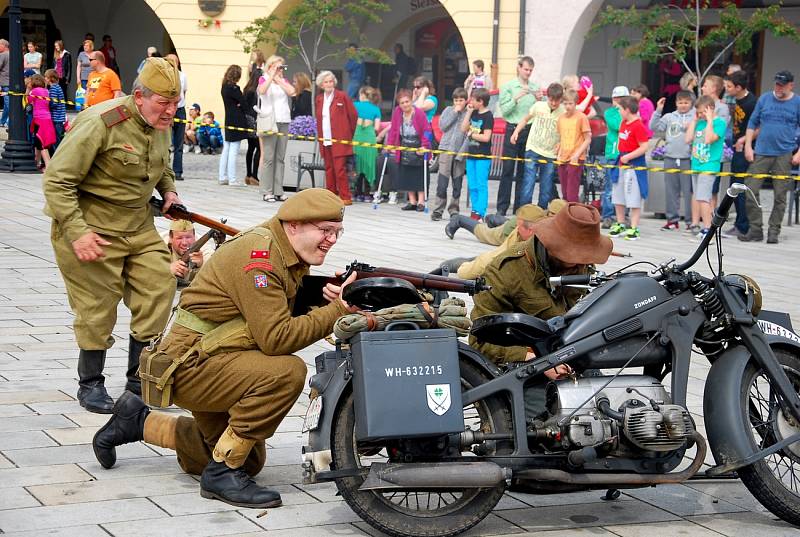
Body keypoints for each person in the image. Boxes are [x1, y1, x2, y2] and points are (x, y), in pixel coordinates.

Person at [92, 188, 356, 509]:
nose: (331, 239)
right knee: (287, 372)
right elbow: (276, 339)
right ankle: (220, 475)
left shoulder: (282, 248)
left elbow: (270, 310)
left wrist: (322, 300)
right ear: (294, 225)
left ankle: (138, 422)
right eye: (324, 231)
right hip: (190, 366)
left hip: (211, 357)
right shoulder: (260, 259)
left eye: (336, 232)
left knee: (250, 461)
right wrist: (337, 311)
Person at [42, 57, 182, 413]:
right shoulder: (100, 123)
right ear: (139, 96)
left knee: (160, 285)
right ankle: (90, 384)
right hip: (92, 226)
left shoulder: (160, 121)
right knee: (97, 306)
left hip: (137, 225)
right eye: (163, 103)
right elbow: (57, 181)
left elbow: (160, 163)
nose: (170, 111)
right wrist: (78, 232)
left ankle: (138, 380)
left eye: (174, 102)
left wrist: (170, 191)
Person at [469, 203, 612, 414]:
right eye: (573, 257)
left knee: (614, 418)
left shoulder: (582, 268)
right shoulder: (506, 272)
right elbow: (478, 342)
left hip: (574, 362)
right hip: (523, 373)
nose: (580, 265)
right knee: (553, 425)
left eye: (584, 257)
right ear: (551, 246)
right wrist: (536, 360)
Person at [740, 70, 800, 244]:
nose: (778, 87)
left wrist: (798, 153)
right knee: (750, 187)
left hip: (784, 153)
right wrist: (749, 146)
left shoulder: (797, 102)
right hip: (762, 151)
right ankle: (756, 229)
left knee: (780, 194)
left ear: (791, 85)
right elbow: (753, 122)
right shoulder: (765, 98)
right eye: (777, 84)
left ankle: (774, 231)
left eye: (782, 84)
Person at [497, 56, 542, 215]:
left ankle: (519, 207)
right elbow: (505, 111)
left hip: (529, 130)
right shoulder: (509, 86)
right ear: (519, 68)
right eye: (526, 69)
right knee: (507, 169)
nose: (528, 73)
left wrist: (539, 100)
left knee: (524, 171)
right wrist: (517, 97)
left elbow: (538, 111)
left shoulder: (535, 87)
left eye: (530, 70)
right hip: (512, 127)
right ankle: (502, 207)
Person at [453, 204, 547, 279]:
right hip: (503, 237)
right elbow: (496, 257)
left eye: (519, 227)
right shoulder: (518, 235)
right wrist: (464, 271)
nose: (517, 229)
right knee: (485, 234)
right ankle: (460, 219)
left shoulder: (544, 240)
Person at [651, 90, 694, 231]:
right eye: (680, 102)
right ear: (676, 103)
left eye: (686, 102)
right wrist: (658, 110)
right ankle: (672, 220)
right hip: (670, 157)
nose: (683, 105)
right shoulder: (669, 117)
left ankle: (690, 221)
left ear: (691, 103)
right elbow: (654, 127)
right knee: (671, 191)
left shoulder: (694, 116)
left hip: (687, 158)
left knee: (688, 192)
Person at [609, 96, 651, 241]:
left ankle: (634, 227)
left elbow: (644, 146)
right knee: (618, 194)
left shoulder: (638, 126)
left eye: (620, 109)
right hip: (621, 162)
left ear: (627, 110)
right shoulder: (624, 123)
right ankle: (620, 223)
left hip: (633, 165)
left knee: (633, 196)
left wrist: (629, 156)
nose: (619, 112)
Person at [686, 95, 727, 241]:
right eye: (698, 112)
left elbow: (709, 139)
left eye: (703, 112)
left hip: (709, 165)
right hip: (696, 164)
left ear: (710, 109)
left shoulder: (719, 123)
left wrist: (710, 120)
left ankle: (708, 229)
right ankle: (705, 228)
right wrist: (695, 120)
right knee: (699, 197)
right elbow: (688, 139)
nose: (700, 115)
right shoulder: (699, 122)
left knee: (704, 198)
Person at [315, 71, 357, 204]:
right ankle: (330, 196)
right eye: (326, 82)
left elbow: (353, 116)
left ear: (334, 82)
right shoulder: (319, 99)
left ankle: (345, 197)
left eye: (330, 81)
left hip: (340, 139)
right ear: (321, 84)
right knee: (329, 168)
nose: (328, 84)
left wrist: (348, 133)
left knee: (340, 169)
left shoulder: (342, 96)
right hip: (325, 138)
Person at [257, 56, 296, 201]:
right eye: (277, 67)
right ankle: (267, 190)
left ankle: (278, 189)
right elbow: (262, 91)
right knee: (269, 157)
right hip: (270, 121)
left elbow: (292, 92)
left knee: (280, 157)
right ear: (270, 66)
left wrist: (279, 79)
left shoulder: (282, 81)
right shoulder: (263, 78)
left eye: (281, 67)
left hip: (283, 120)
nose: (280, 69)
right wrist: (271, 76)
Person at [723, 70, 756, 237]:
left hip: (745, 149)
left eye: (729, 86)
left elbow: (759, 126)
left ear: (738, 87)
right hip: (736, 147)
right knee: (733, 185)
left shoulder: (751, 102)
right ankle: (739, 223)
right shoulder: (736, 100)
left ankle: (743, 225)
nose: (726, 89)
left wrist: (744, 140)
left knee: (740, 185)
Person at [387, 88, 431, 211]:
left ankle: (421, 202)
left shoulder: (419, 113)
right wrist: (390, 144)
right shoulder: (397, 112)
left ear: (411, 101)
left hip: (418, 145)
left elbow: (427, 131)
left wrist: (425, 146)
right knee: (407, 174)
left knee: (419, 175)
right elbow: (394, 129)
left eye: (407, 101)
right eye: (402, 103)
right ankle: (412, 201)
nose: (405, 105)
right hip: (404, 145)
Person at [432, 87, 470, 220]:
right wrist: (455, 112)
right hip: (445, 150)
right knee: (442, 182)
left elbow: (468, 135)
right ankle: (438, 209)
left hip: (459, 152)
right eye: (456, 100)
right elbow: (443, 126)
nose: (458, 103)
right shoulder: (448, 110)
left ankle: (454, 208)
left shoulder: (469, 114)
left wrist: (462, 153)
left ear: (466, 101)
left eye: (461, 100)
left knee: (457, 183)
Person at [461, 88, 494, 220]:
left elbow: (486, 137)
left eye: (473, 99)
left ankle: (481, 212)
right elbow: (463, 128)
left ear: (480, 102)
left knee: (481, 184)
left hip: (482, 156)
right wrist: (468, 113)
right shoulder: (473, 113)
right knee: (472, 184)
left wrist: (472, 134)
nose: (471, 101)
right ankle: (475, 210)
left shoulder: (488, 116)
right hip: (471, 155)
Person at [600, 87, 630, 228]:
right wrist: (620, 110)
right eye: (615, 99)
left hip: (627, 154)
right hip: (613, 154)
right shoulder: (609, 113)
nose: (617, 102)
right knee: (610, 188)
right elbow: (619, 126)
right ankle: (607, 216)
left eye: (621, 99)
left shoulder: (631, 113)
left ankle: (624, 216)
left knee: (626, 187)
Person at [556, 88, 592, 202]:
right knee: (565, 191)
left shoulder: (581, 117)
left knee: (572, 192)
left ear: (576, 103)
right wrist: (559, 152)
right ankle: (567, 215)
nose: (567, 106)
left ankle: (574, 215)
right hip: (563, 157)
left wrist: (577, 154)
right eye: (565, 103)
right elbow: (560, 138)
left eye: (570, 103)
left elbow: (587, 139)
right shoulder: (561, 118)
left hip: (576, 158)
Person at [220, 64, 249, 187]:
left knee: (226, 149)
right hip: (237, 120)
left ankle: (222, 176)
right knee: (234, 151)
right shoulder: (234, 89)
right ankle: (232, 179)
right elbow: (244, 104)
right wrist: (240, 104)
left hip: (228, 120)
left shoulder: (224, 87)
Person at [352, 86, 382, 201]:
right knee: (369, 165)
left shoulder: (355, 105)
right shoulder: (376, 109)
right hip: (370, 138)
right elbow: (377, 127)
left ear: (362, 95)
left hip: (357, 136)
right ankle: (367, 193)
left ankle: (357, 193)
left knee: (358, 164)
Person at [28, 74, 56, 170]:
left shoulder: (34, 91)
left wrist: (28, 89)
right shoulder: (46, 91)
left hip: (39, 120)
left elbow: (27, 101)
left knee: (41, 144)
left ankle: (48, 166)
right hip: (47, 119)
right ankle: (37, 162)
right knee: (38, 143)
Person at [166, 54, 187, 181]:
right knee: (166, 143)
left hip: (179, 109)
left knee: (179, 144)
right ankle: (164, 171)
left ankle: (177, 171)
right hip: (167, 109)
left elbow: (184, 92)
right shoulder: (165, 76)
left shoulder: (182, 76)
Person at [165, 219, 205, 284]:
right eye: (179, 238)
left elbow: (210, 280)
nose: (184, 243)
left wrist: (200, 266)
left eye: (188, 237)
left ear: (194, 237)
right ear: (170, 238)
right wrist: (167, 270)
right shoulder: (159, 245)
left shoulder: (205, 249)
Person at [243, 68, 262, 187]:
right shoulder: (255, 91)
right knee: (259, 148)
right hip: (255, 120)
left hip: (247, 120)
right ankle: (254, 176)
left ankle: (248, 174)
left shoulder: (247, 89)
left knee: (250, 149)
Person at [45, 69, 67, 150]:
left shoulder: (53, 88)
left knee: (56, 140)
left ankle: (58, 156)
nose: (45, 79)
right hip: (59, 117)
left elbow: (53, 103)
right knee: (58, 138)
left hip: (56, 118)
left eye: (46, 77)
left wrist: (46, 105)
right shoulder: (58, 87)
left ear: (50, 78)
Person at [0, 39, 9, 129]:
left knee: (8, 103)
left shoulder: (2, 55)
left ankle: (11, 122)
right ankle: (2, 121)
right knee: (7, 104)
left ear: (3, 45)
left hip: (5, 83)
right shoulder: (13, 54)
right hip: (12, 82)